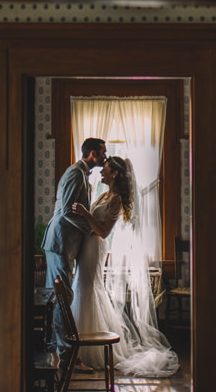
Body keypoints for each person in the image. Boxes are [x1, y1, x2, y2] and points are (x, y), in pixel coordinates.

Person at [70, 156, 180, 377]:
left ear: (115, 174)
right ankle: (81, 343)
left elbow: (103, 232)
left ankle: (89, 351)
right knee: (84, 289)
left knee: (88, 289)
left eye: (106, 170)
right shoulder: (105, 194)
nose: (101, 172)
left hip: (96, 247)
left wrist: (84, 213)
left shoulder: (117, 199)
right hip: (87, 246)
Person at [42, 137, 107, 375]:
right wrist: (91, 228)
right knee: (62, 299)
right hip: (61, 241)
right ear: (91, 153)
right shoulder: (75, 173)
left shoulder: (82, 174)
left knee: (58, 298)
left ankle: (56, 353)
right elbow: (66, 210)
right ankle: (69, 357)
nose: (105, 156)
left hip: (65, 243)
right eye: (102, 153)